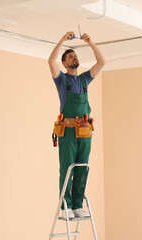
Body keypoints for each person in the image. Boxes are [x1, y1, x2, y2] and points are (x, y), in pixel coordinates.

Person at [48, 32, 106, 219]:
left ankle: (77, 206)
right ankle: (65, 208)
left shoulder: (84, 79)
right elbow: (50, 61)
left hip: (85, 131)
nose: (74, 57)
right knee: (67, 167)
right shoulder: (62, 80)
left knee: (82, 168)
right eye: (70, 56)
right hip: (68, 132)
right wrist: (62, 40)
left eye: (75, 55)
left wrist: (91, 43)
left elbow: (102, 62)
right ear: (64, 63)